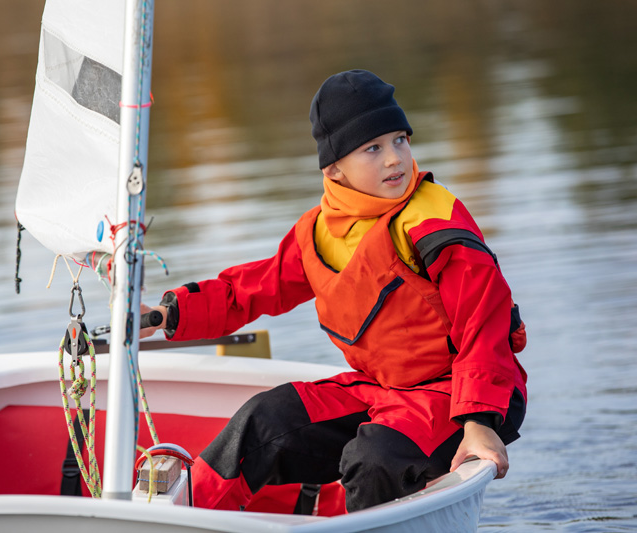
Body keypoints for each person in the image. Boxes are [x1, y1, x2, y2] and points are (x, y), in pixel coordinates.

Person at [140, 69, 527, 513]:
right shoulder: (317, 232)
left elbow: (485, 320)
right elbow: (250, 289)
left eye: (400, 139)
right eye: (373, 148)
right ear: (334, 168)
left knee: (372, 460)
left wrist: (479, 421)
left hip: (461, 391)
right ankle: (181, 520)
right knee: (262, 421)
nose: (394, 159)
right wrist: (167, 315)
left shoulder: (436, 220)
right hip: (379, 390)